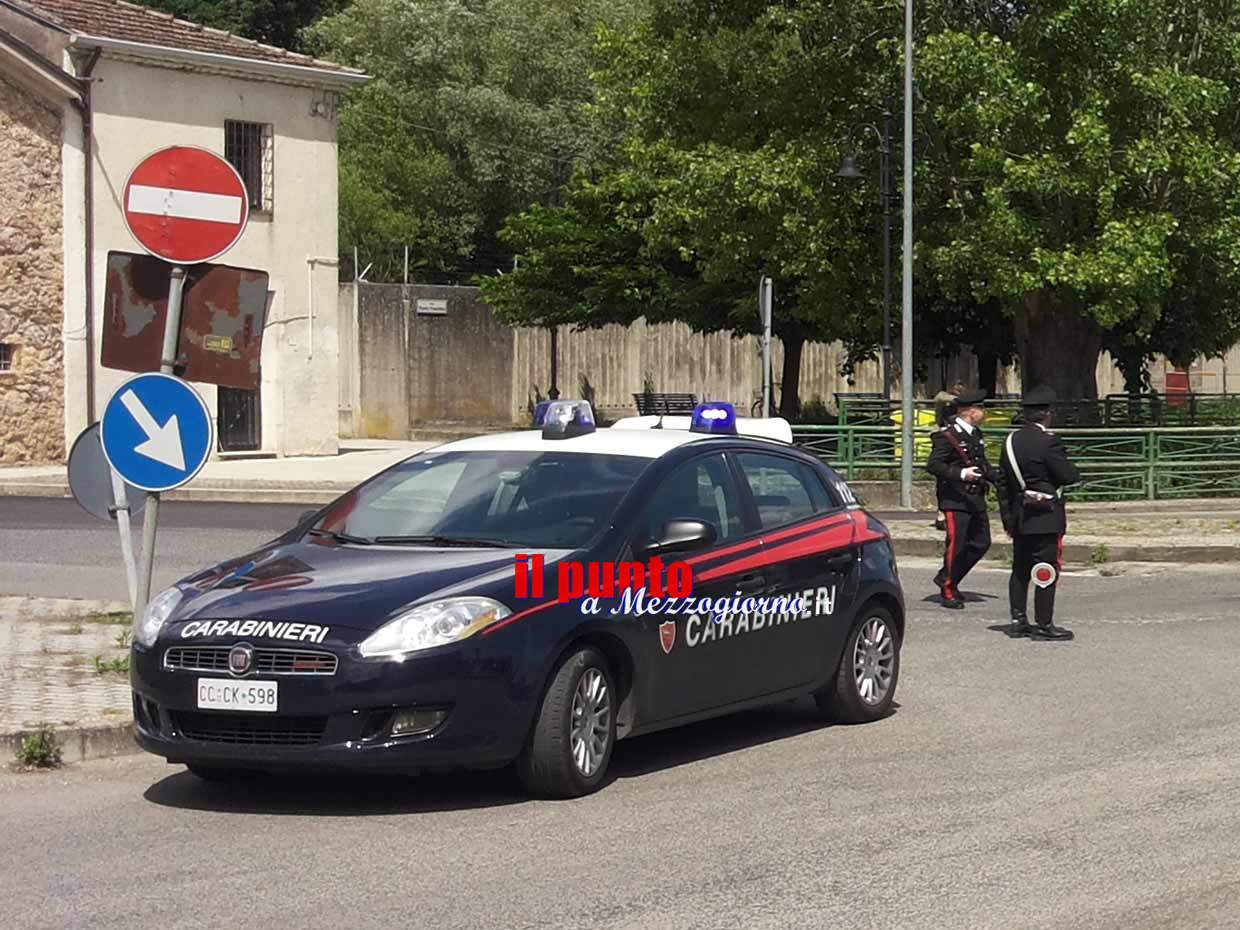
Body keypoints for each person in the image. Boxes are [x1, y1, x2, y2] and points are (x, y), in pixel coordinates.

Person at [997, 385, 1081, 640]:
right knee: (1046, 566)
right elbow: (1066, 475)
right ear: (1046, 414)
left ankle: (1018, 619)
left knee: (1020, 569)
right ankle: (1044, 623)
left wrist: (1008, 518)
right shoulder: (1049, 441)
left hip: (1020, 514)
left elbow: (1003, 483)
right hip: (1046, 516)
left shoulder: (1010, 441)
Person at [925, 388, 998, 609]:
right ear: (970, 411)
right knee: (956, 545)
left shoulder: (975, 433)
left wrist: (1001, 480)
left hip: (975, 497)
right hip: (954, 499)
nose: (984, 413)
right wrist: (960, 474)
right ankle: (948, 586)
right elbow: (934, 465)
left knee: (981, 542)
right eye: (982, 409)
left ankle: (948, 576)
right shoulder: (947, 435)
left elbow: (982, 463)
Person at [931, 382, 965, 531]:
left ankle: (951, 512)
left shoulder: (962, 410)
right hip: (942, 437)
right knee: (941, 476)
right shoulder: (943, 401)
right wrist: (957, 401)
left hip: (958, 440)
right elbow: (939, 397)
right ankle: (941, 513)